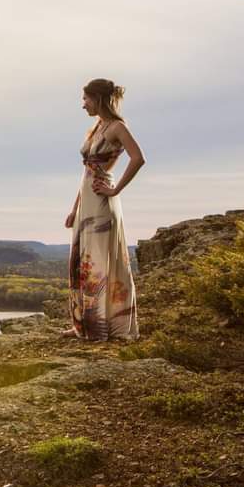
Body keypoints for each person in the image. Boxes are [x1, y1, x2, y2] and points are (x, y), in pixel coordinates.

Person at [60, 78, 145, 341]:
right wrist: (74, 208)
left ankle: (104, 326)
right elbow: (86, 172)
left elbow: (138, 158)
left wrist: (116, 189)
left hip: (101, 200)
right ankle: (83, 324)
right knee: (82, 261)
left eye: (85, 99)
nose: (82, 104)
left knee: (97, 263)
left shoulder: (118, 127)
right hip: (87, 200)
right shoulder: (98, 126)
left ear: (98, 99)